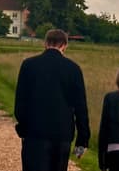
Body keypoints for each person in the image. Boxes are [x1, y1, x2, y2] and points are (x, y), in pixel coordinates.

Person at [14, 29, 90, 171]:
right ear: (65, 45)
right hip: (62, 134)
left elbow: (20, 103)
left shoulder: (29, 65)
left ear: (45, 43)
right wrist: (82, 139)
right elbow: (81, 107)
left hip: (34, 133)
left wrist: (23, 128)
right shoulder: (73, 69)